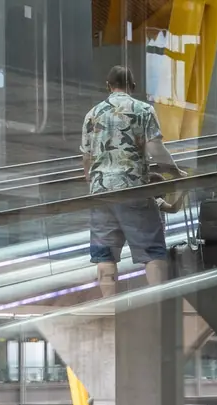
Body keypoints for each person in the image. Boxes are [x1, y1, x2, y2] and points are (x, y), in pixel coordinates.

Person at [80, 66, 177, 294]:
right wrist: (173, 172)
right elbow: (155, 149)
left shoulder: (92, 114)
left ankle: (110, 305)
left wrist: (92, 182)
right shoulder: (143, 110)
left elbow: (86, 157)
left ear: (108, 86)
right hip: (133, 189)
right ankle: (158, 302)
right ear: (133, 86)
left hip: (100, 191)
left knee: (105, 254)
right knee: (151, 251)